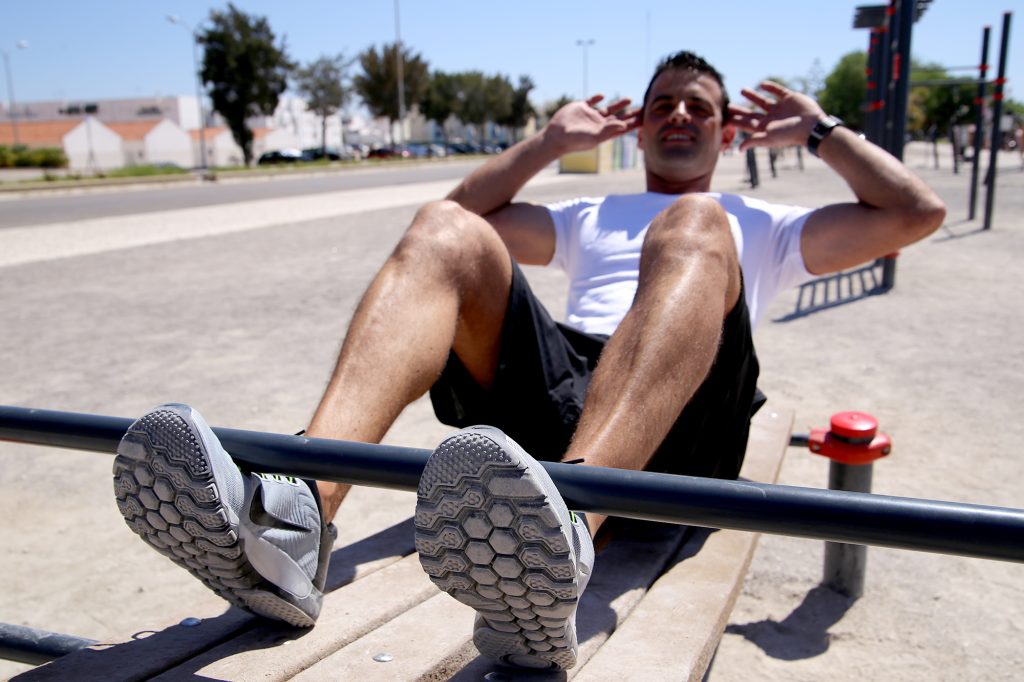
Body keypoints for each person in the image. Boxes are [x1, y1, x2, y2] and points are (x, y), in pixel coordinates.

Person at [112, 51, 945, 671]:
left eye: (700, 106)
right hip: (556, 405)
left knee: (692, 227)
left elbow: (915, 212)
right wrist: (548, 143)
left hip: (680, 431)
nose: (680, 115)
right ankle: (298, 522)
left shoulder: (760, 221)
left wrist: (823, 132)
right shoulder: (590, 211)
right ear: (639, 124)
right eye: (663, 103)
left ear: (728, 129)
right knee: (447, 235)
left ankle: (563, 548)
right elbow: (450, 216)